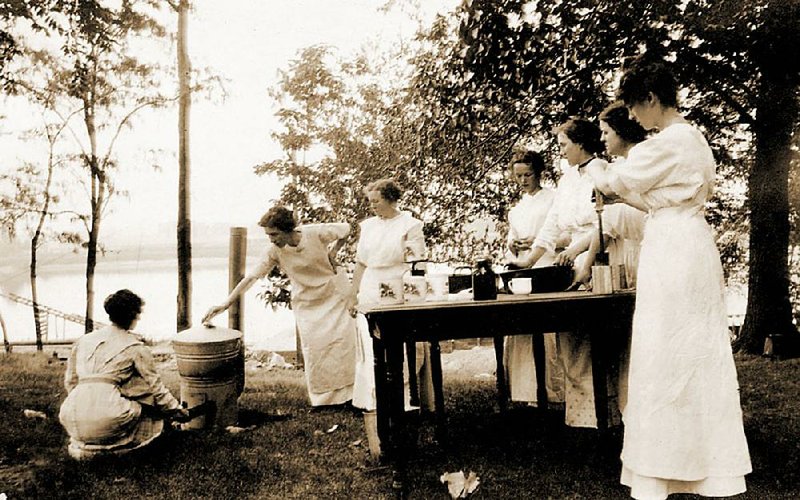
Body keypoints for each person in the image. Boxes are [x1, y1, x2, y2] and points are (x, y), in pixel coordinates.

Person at [586, 57, 751, 500]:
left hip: (675, 250)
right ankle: (692, 467)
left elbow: (616, 181)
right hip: (685, 242)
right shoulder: (690, 138)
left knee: (669, 351)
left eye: (635, 108)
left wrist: (596, 168)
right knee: (687, 351)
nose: (633, 118)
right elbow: (648, 192)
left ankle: (675, 469)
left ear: (652, 100)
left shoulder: (669, 142)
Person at [510, 118, 616, 428]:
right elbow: (553, 224)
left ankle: (606, 416)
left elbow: (605, 222)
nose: (562, 151)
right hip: (569, 259)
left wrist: (578, 250)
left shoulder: (601, 171)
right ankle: (581, 419)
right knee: (571, 340)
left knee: (595, 340)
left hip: (598, 254)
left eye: (564, 144)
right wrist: (530, 259)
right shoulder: (568, 178)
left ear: (581, 143)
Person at [203, 206, 356, 408]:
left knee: (343, 346)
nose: (272, 239)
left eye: (274, 234)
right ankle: (325, 401)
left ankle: (351, 397)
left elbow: (348, 229)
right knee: (315, 350)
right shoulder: (274, 251)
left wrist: (334, 251)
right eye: (268, 235)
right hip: (306, 303)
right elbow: (251, 277)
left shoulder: (315, 233)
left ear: (287, 229)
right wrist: (226, 303)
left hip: (334, 296)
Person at [59, 289, 189, 460]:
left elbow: (71, 381)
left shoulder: (84, 340)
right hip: (110, 417)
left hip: (71, 413)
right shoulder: (135, 347)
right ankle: (119, 449)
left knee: (121, 391)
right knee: (148, 403)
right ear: (132, 315)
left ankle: (88, 447)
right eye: (138, 314)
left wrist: (83, 404)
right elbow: (155, 387)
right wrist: (175, 409)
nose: (139, 318)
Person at [347, 178, 433, 412]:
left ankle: (404, 399)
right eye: (370, 202)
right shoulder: (368, 226)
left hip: (399, 282)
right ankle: (373, 400)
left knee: (400, 341)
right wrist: (352, 292)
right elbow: (361, 262)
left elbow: (418, 262)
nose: (372, 206)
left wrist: (415, 290)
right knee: (370, 340)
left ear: (391, 199)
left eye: (376, 201)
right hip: (371, 284)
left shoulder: (410, 224)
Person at [503, 150, 564, 407]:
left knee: (548, 329)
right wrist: (514, 243)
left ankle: (554, 392)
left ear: (538, 172)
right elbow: (511, 239)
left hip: (548, 263)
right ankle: (527, 393)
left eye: (528, 174)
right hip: (524, 267)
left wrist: (538, 241)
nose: (523, 180)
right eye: (518, 175)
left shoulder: (553, 199)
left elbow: (561, 232)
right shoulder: (517, 208)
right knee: (523, 328)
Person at [570, 101, 648, 288]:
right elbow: (606, 223)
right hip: (625, 255)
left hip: (652, 251)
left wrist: (595, 166)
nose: (602, 139)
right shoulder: (616, 169)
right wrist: (586, 267)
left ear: (621, 131)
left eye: (606, 132)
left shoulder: (643, 163)